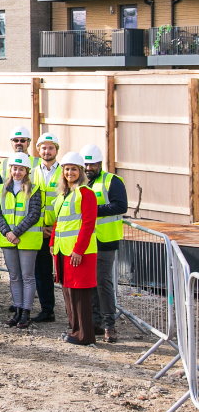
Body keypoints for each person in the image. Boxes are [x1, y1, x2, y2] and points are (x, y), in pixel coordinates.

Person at [51, 151, 99, 346]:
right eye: (67, 169)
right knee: (69, 292)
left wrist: (79, 250)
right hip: (64, 251)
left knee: (80, 295)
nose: (70, 173)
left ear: (81, 171)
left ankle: (84, 335)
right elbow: (59, 222)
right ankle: (74, 329)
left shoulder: (85, 194)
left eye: (73, 169)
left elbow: (88, 224)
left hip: (79, 253)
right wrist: (53, 242)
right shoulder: (64, 195)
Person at [0, 153, 43, 329]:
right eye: (15, 168)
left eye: (21, 169)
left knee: (27, 276)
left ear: (26, 170)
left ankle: (26, 312)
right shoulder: (2, 190)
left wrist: (15, 232)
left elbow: (34, 214)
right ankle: (18, 310)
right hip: (9, 240)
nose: (17, 172)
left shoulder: (34, 190)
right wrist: (7, 232)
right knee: (14, 276)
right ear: (10, 170)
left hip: (27, 240)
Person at [83, 143, 127, 343]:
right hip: (86, 241)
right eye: (86, 165)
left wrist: (93, 210)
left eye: (92, 165)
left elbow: (120, 206)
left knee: (103, 283)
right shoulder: (81, 183)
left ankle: (109, 325)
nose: (88, 168)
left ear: (100, 163)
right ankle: (95, 323)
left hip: (105, 240)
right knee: (90, 283)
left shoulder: (112, 181)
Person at [31, 133, 62, 323]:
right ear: (38, 150)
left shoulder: (65, 172)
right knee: (42, 272)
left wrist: (56, 227)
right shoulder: (32, 172)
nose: (47, 151)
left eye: (51, 148)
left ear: (56, 150)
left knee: (64, 273)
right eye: (43, 147)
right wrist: (39, 227)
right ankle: (47, 309)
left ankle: (72, 310)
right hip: (39, 230)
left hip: (61, 230)